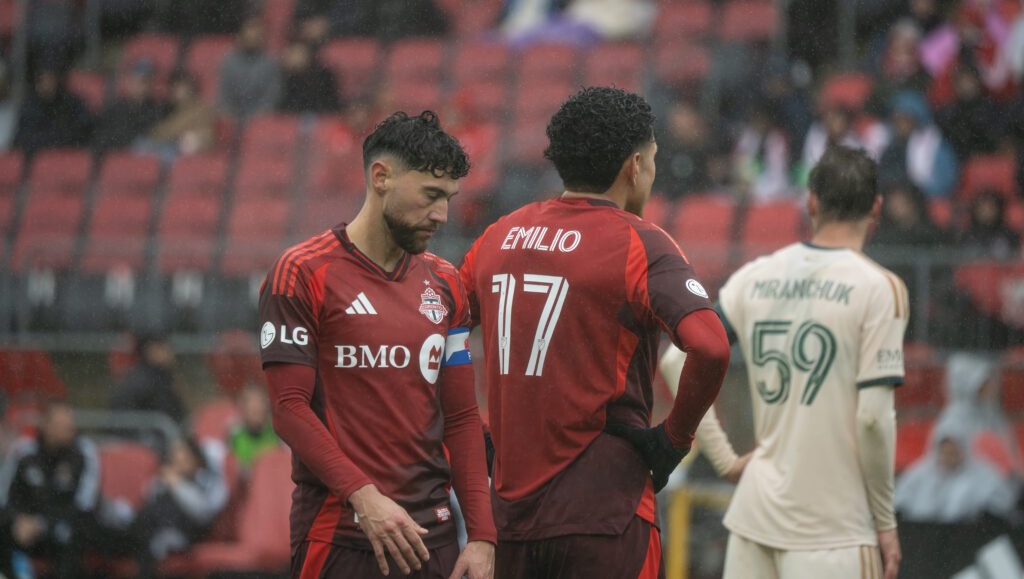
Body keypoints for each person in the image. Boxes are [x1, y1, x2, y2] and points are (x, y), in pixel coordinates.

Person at [459, 86, 731, 577]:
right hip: (606, 509)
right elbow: (710, 347)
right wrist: (673, 439)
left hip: (510, 519)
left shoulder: (498, 237)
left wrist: (473, 432)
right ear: (634, 166)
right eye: (651, 158)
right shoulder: (640, 242)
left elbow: (436, 337)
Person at [258, 111, 495, 578]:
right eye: (430, 196)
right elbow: (289, 407)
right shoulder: (302, 272)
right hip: (341, 535)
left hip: (434, 541)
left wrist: (484, 536)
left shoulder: (446, 283)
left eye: (448, 198)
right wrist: (363, 496)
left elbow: (463, 417)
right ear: (381, 177)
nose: (442, 215)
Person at [693, 146, 908, 579]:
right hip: (833, 530)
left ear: (810, 203)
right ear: (877, 208)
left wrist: (725, 459)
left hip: (753, 521)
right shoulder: (879, 288)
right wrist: (885, 520)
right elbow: (872, 420)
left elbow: (678, 361)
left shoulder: (754, 277)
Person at [0, 402, 100, 578]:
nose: (68, 432)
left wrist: (41, 524)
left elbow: (84, 505)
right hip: (24, 527)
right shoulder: (23, 452)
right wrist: (17, 519)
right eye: (61, 426)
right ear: (45, 426)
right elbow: (5, 497)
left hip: (63, 526)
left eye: (70, 427)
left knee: (72, 536)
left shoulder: (83, 453)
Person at [131, 437, 228, 578]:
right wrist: (161, 484)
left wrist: (178, 485)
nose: (179, 463)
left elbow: (203, 513)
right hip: (153, 529)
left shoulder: (206, 481)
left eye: (185, 458)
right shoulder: (163, 481)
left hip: (186, 533)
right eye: (175, 458)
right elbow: (148, 502)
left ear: (197, 461)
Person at [895, 413, 1018, 523]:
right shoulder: (918, 475)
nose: (949, 455)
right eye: (945, 450)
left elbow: (1001, 505)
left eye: (954, 450)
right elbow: (899, 505)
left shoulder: (984, 475)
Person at [12, 66, 93, 157]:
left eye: (50, 79)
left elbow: (81, 133)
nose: (46, 84)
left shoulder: (72, 105)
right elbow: (22, 140)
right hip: (38, 160)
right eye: (42, 80)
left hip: (67, 157)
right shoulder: (30, 107)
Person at [110, 333, 187, 426]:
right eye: (162, 346)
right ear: (150, 351)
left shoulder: (161, 376)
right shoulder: (148, 380)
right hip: (139, 437)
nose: (170, 351)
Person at [137, 71, 218, 160]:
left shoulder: (199, 108)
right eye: (174, 88)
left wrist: (157, 133)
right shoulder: (175, 109)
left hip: (192, 151)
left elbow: (173, 129)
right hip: (172, 144)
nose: (175, 92)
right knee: (141, 145)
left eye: (180, 88)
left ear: (190, 88)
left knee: (151, 147)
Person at [94, 59, 170, 152]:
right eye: (135, 80)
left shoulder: (158, 110)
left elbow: (157, 135)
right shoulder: (115, 109)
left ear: (151, 84)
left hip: (145, 157)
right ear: (128, 82)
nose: (139, 86)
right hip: (118, 156)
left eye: (144, 81)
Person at [218, 16, 282, 123]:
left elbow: (271, 96)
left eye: (256, 37)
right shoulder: (228, 62)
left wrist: (254, 118)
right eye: (248, 37)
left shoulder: (271, 64)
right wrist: (229, 114)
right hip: (232, 116)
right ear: (241, 37)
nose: (252, 40)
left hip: (259, 119)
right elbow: (224, 94)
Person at [278, 37, 343, 114]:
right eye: (291, 53)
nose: (293, 57)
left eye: (298, 53)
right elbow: (285, 109)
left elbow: (330, 105)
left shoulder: (324, 76)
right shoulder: (287, 79)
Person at [228, 382, 279, 471]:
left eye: (260, 404)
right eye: (252, 409)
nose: (257, 409)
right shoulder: (236, 436)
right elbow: (237, 469)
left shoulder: (277, 432)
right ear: (243, 409)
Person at [956, 190, 1021, 259]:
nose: (986, 212)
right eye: (983, 208)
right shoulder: (966, 235)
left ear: (998, 209)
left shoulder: (1010, 235)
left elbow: (1015, 262)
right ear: (975, 209)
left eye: (990, 208)